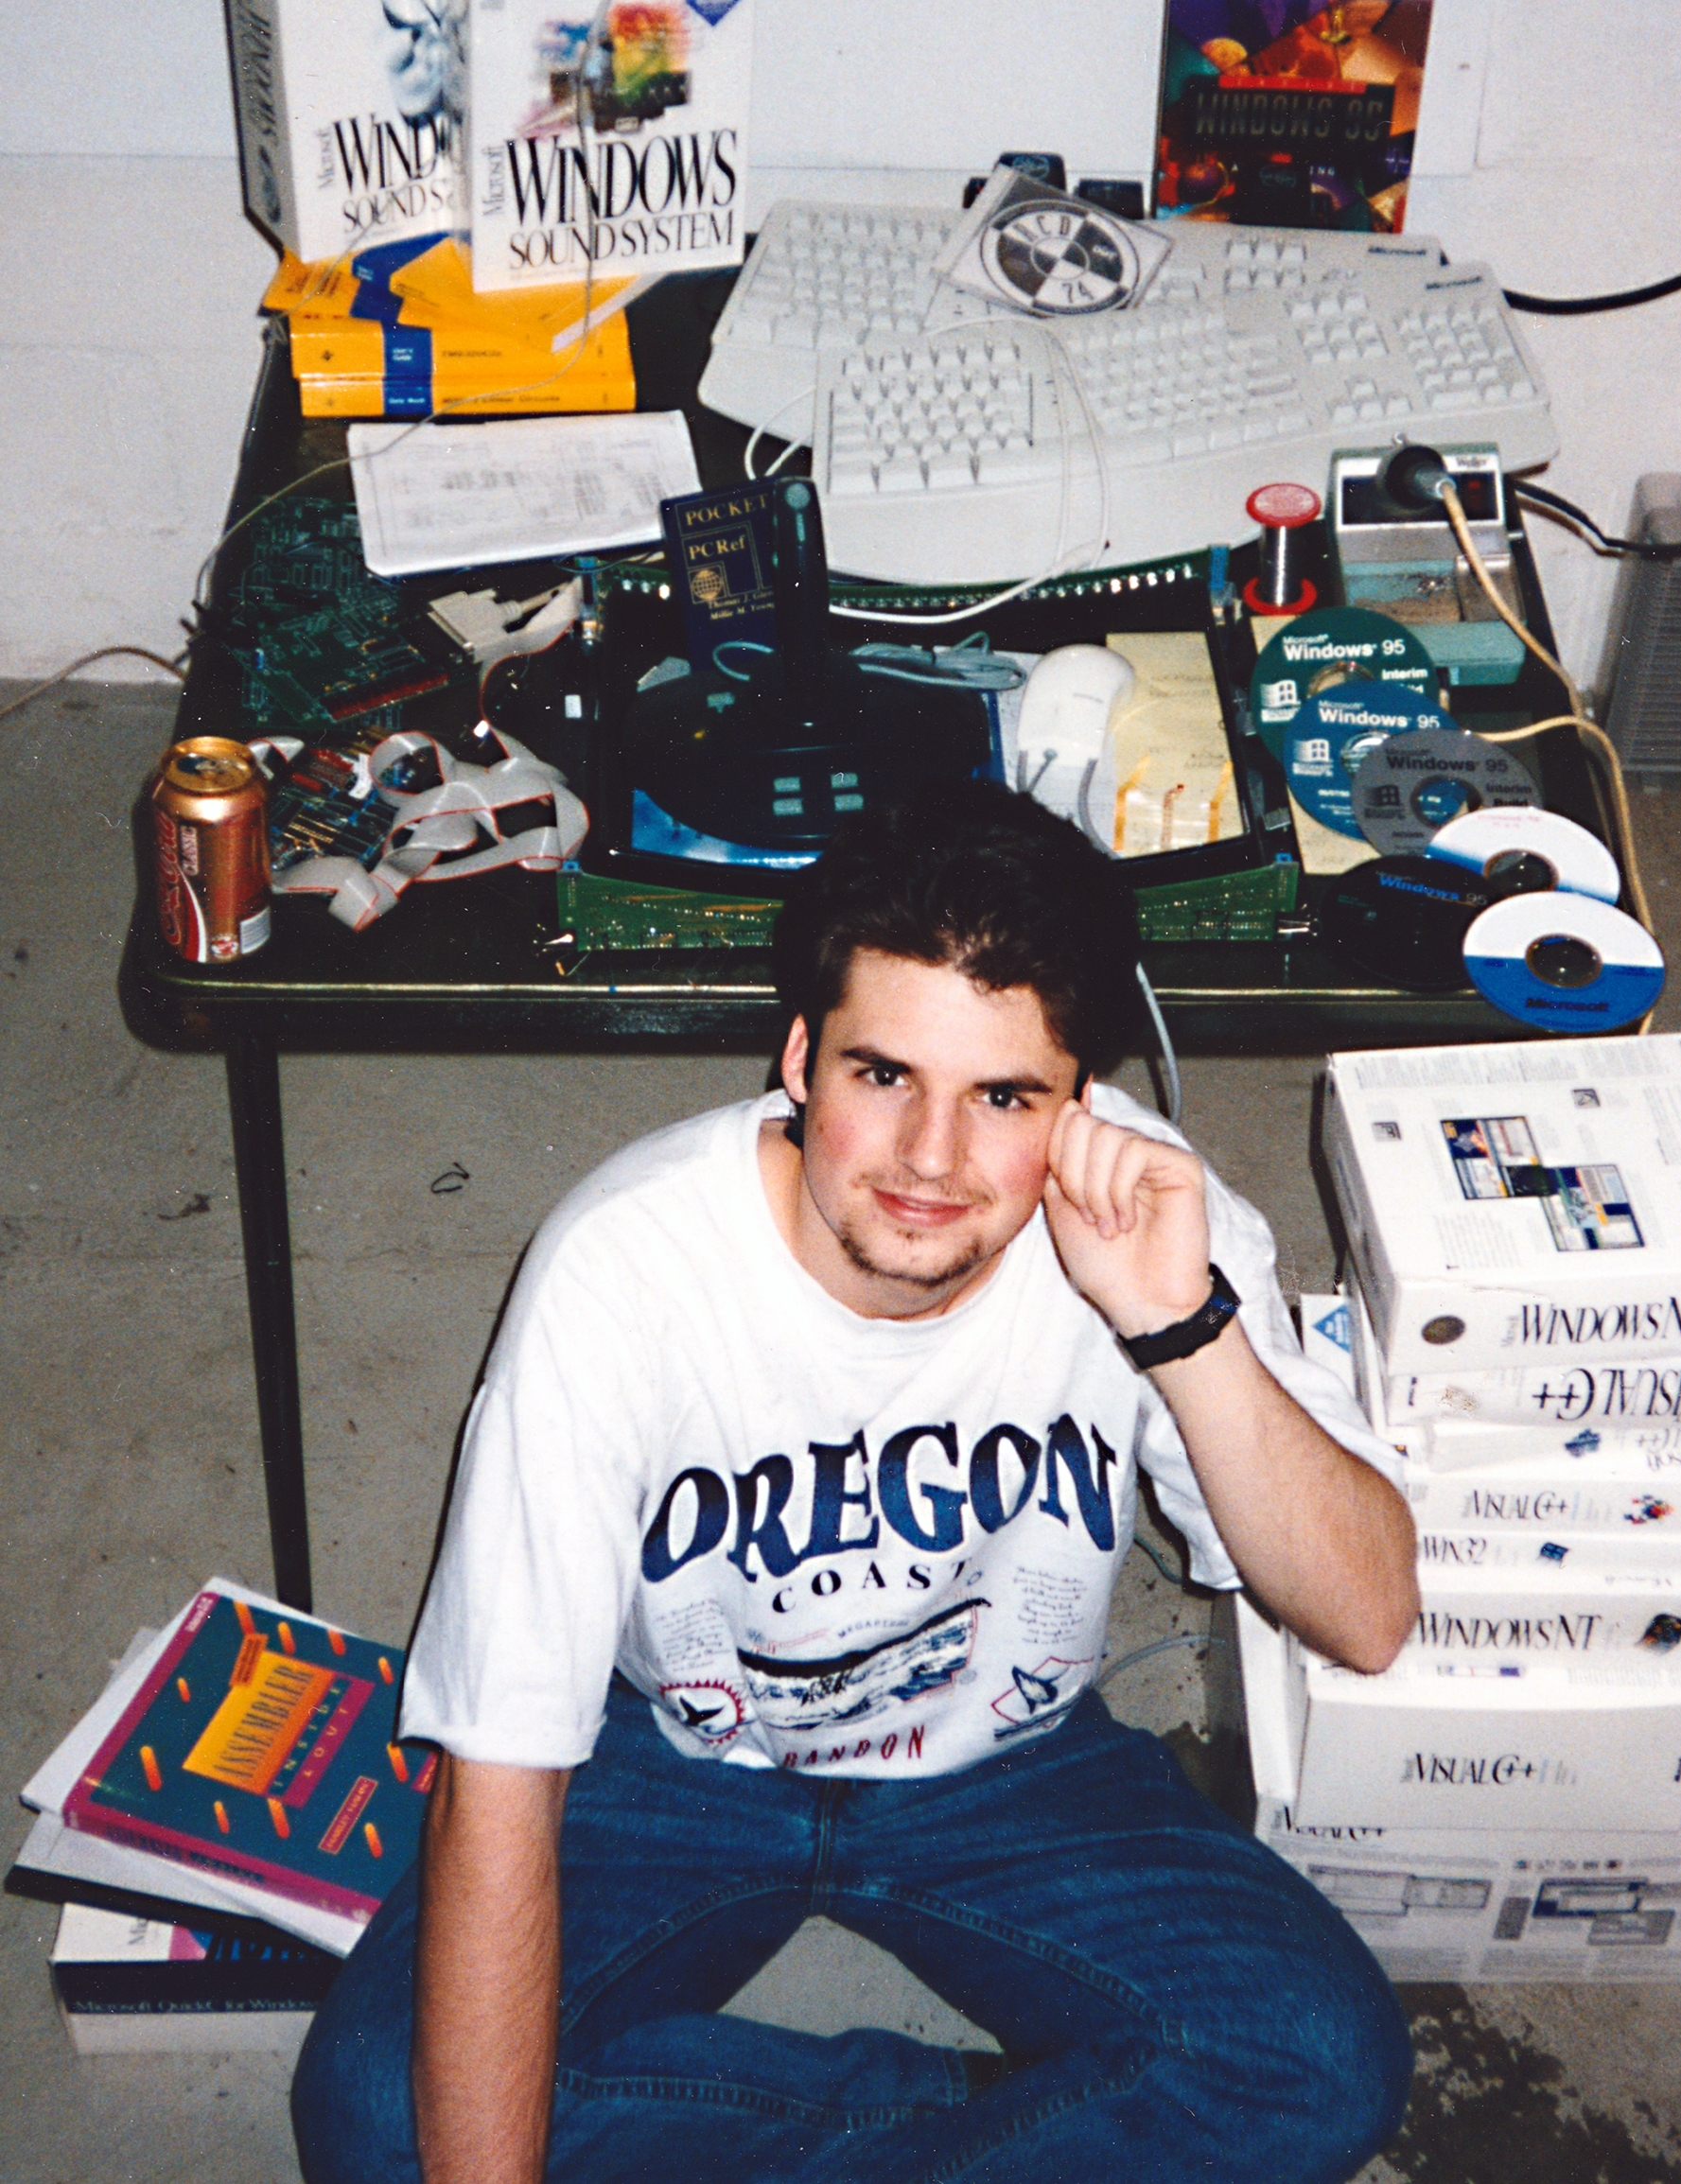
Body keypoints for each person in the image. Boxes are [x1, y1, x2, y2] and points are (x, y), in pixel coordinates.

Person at [292, 778, 1419, 2184]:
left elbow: (1367, 1612)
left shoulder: (1149, 1219)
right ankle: (1025, 2123)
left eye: (1003, 1097)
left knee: (1323, 2067)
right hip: (679, 1756)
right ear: (799, 1058)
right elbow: (498, 1781)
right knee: (379, 2121)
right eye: (883, 1077)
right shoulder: (620, 1273)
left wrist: (1180, 1328)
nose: (931, 1166)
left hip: (1008, 1756)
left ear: (1081, 1108)